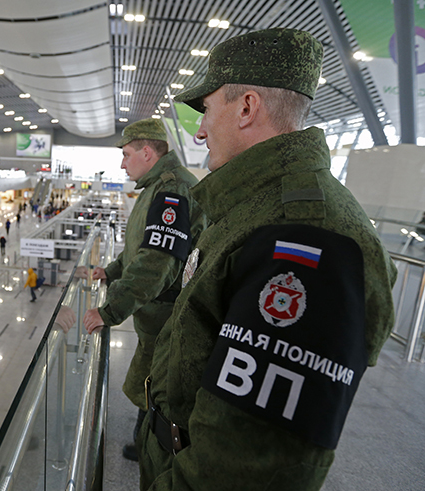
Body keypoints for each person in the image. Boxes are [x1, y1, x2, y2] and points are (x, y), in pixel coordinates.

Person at [137, 28, 397, 491]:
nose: (198, 130)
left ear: (246, 107)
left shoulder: (306, 235)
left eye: (207, 110)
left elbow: (246, 468)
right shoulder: (249, 207)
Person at [81, 118, 205, 462]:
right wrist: (109, 271)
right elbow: (139, 249)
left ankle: (153, 449)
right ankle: (146, 440)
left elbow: (156, 262)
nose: (122, 163)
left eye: (126, 154)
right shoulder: (156, 188)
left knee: (158, 386)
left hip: (167, 318)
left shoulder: (171, 191)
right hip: (155, 317)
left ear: (147, 152)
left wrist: (109, 311)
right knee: (149, 382)